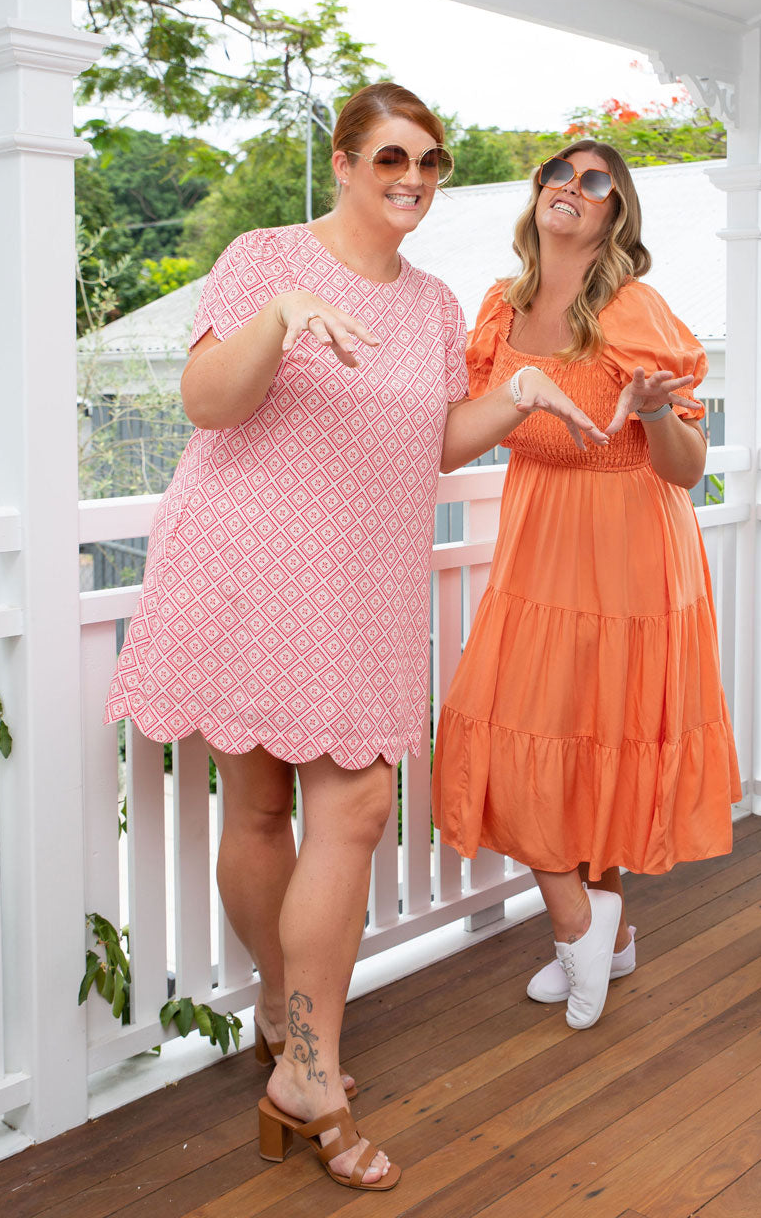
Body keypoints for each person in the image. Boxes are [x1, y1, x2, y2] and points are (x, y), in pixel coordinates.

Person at [104, 84, 610, 1192]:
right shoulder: (262, 256)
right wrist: (279, 315)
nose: (414, 178)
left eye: (430, 161)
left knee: (361, 805)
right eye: (392, 157)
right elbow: (206, 400)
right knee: (263, 807)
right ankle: (307, 1058)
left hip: (362, 582)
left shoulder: (431, 304)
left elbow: (427, 444)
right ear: (341, 161)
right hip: (244, 561)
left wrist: (519, 392)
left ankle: (297, 1053)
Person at [431, 140, 742, 1032]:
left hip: (630, 543)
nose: (571, 188)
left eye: (594, 180)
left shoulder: (635, 306)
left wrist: (651, 411)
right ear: (537, 197)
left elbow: (685, 468)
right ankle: (591, 926)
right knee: (517, 724)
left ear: (615, 211)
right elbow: (456, 432)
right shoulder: (500, 306)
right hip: (537, 545)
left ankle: (587, 928)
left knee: (598, 727)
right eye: (557, 175)